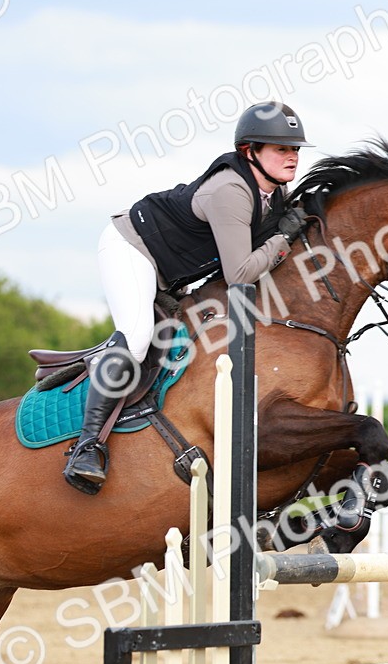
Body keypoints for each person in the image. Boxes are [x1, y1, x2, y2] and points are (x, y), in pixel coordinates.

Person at [63, 101, 313, 495]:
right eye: (281, 148)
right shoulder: (231, 190)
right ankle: (87, 446)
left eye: (296, 149)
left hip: (173, 271)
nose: (292, 157)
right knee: (139, 335)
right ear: (251, 152)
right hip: (133, 249)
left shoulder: (273, 191)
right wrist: (284, 238)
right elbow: (240, 274)